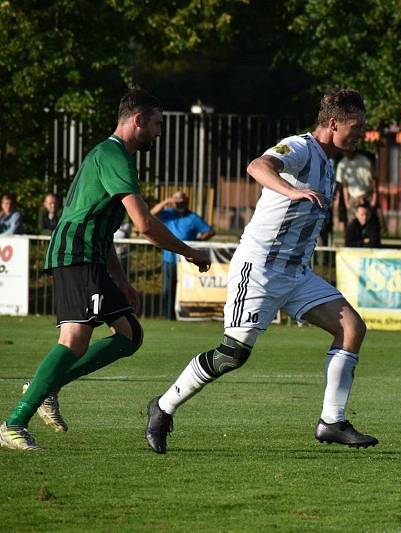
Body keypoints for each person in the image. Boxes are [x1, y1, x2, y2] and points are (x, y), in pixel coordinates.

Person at [145, 89, 379, 454]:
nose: (361, 133)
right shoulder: (300, 147)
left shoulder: (330, 164)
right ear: (333, 124)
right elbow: (257, 166)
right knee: (231, 355)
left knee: (352, 328)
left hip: (297, 274)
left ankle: (331, 421)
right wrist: (291, 191)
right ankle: (162, 407)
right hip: (261, 269)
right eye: (357, 126)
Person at [0, 88, 211, 451]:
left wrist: (122, 280)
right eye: (158, 124)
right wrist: (189, 252)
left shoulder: (119, 159)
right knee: (75, 341)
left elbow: (106, 227)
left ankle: (47, 387)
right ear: (138, 120)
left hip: (92, 254)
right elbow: (143, 224)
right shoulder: (112, 154)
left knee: (130, 336)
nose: (160, 132)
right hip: (76, 253)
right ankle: (14, 422)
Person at [150, 191, 215, 319]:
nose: (180, 205)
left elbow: (210, 231)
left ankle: (184, 314)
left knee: (185, 288)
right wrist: (167, 201)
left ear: (187, 202)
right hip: (169, 258)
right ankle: (168, 316)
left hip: (186, 262)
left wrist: (197, 242)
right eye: (178, 202)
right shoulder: (169, 214)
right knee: (167, 289)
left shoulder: (193, 217)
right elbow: (150, 214)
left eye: (182, 202)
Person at [336, 149, 376, 222]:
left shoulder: (364, 160)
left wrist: (374, 198)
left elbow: (373, 181)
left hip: (366, 197)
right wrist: (347, 202)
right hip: (353, 198)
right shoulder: (342, 164)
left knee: (368, 223)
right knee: (352, 224)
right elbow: (345, 185)